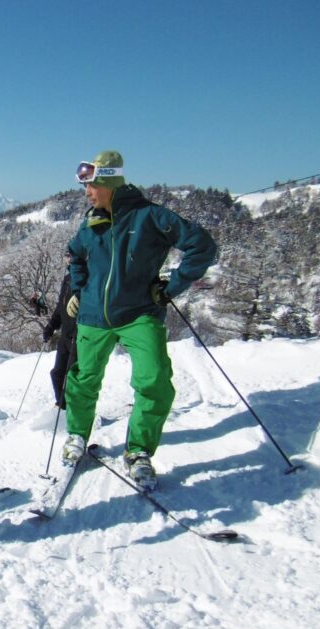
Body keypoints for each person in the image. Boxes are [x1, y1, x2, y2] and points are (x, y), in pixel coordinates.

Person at [62, 151, 217, 490]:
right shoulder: (92, 222)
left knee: (155, 380)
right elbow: (76, 255)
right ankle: (76, 433)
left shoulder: (152, 217)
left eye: (92, 186)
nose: (87, 193)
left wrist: (173, 285)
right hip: (92, 316)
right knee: (83, 379)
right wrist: (77, 290)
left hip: (139, 314)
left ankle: (138, 451)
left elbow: (202, 246)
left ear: (110, 183)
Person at [42, 251, 77, 409]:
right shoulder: (68, 280)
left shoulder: (86, 279)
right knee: (57, 373)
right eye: (66, 256)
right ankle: (62, 407)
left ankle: (75, 410)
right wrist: (51, 326)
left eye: (69, 256)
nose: (66, 259)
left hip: (79, 335)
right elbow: (60, 308)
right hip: (66, 334)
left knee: (73, 375)